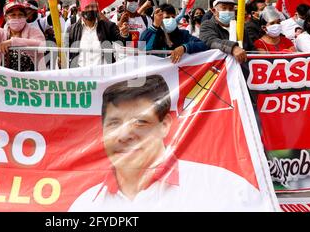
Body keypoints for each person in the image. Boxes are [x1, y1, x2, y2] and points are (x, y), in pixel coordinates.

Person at [69, 75, 271, 212]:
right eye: (114, 123)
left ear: (164, 125)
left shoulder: (225, 189)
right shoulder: (87, 205)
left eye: (140, 122)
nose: (125, 134)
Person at [0, 0, 45, 71]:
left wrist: (12, 42)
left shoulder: (34, 31)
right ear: (6, 18)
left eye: (20, 14)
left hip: (30, 79)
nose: (17, 18)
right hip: (3, 79)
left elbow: (41, 45)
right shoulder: (0, 33)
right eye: (13, 15)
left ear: (25, 17)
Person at [66, 0, 131, 68]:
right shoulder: (71, 30)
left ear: (97, 8)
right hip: (81, 75)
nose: (90, 9)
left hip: (104, 74)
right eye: (87, 7)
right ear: (80, 9)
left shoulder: (108, 26)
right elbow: (66, 53)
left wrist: (124, 34)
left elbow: (123, 41)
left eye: (93, 6)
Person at [140, 5, 208, 63]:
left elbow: (203, 45)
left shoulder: (183, 34)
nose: (171, 20)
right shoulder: (152, 34)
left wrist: (184, 47)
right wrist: (155, 25)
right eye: (167, 17)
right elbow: (141, 47)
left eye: (173, 17)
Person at [199, 0, 247, 64]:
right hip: (220, 69)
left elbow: (251, 47)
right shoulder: (207, 25)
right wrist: (233, 48)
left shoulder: (240, 27)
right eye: (224, 8)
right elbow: (211, 41)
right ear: (214, 11)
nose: (228, 11)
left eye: (231, 9)